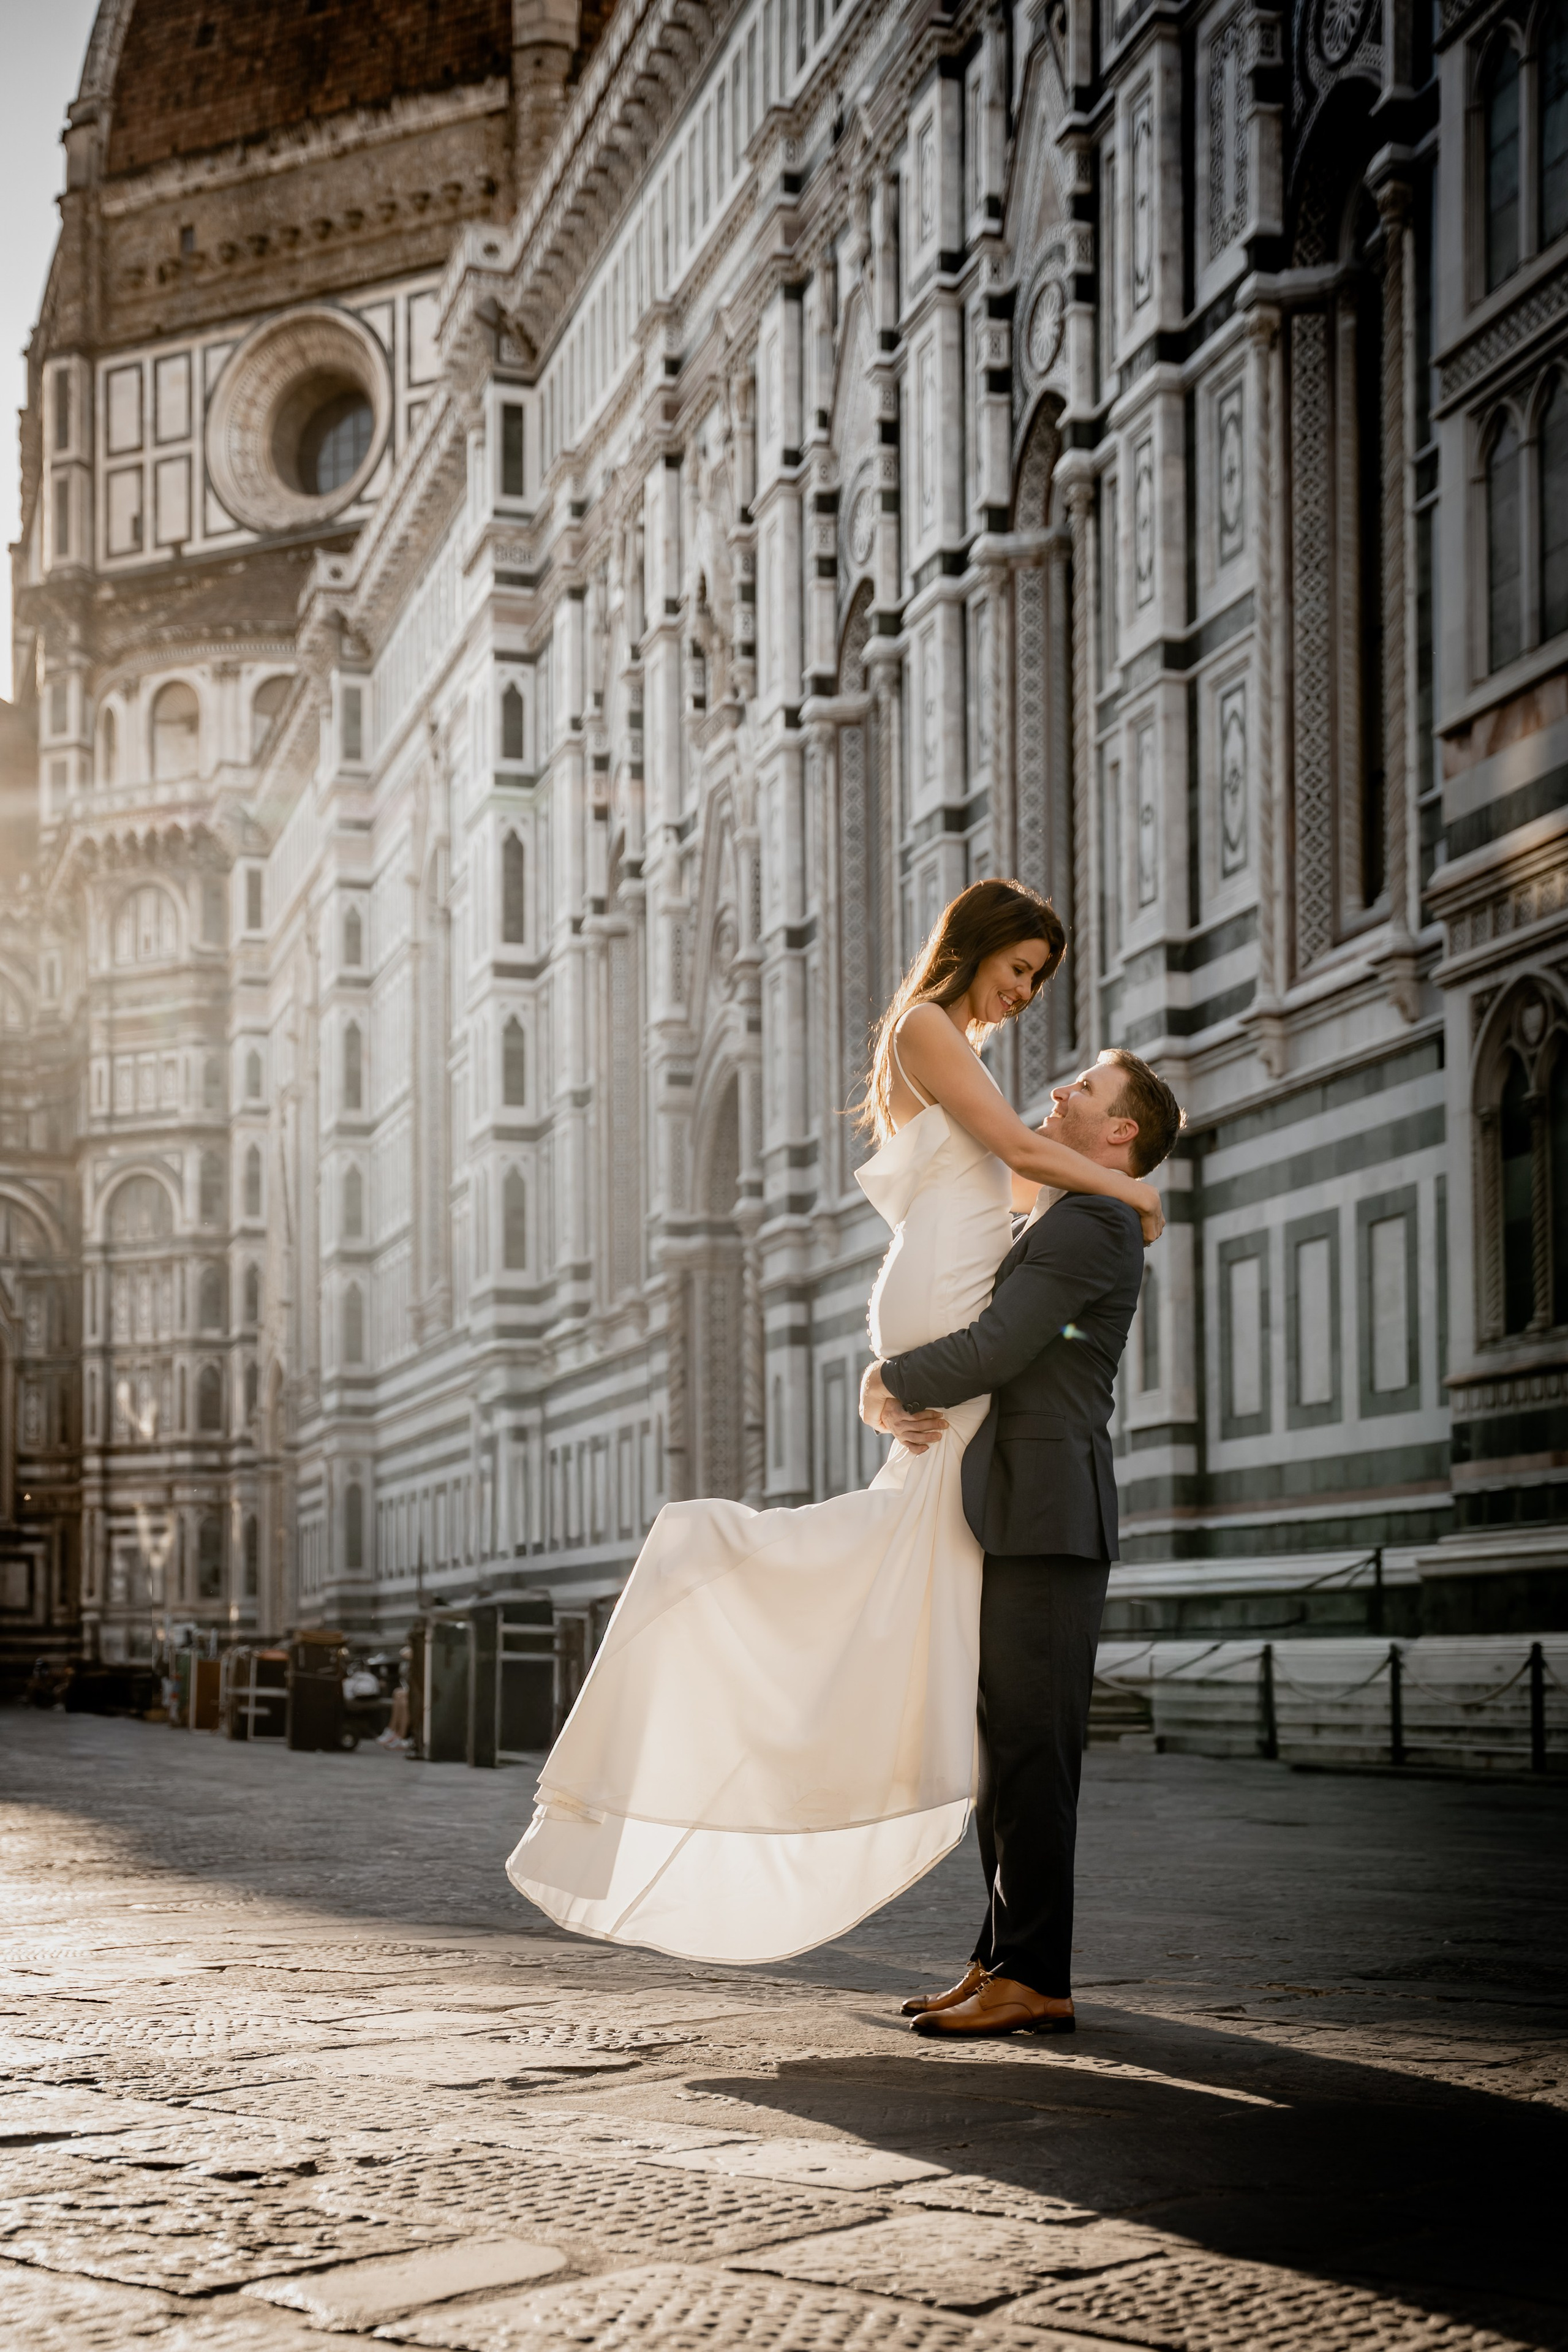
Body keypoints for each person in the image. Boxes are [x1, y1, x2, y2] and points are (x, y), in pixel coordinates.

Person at [506, 878, 1164, 1964]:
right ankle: (1006, 1958)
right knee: (946, 1675)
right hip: (963, 1388)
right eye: (1020, 967)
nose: (1026, 991)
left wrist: (894, 1374)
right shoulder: (927, 1028)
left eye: (1038, 979)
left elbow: (1031, 1226)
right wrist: (1140, 1197)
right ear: (979, 945)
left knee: (957, 1682)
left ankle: (1012, 1961)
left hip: (984, 1410)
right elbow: (1026, 1157)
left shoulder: (982, 1080)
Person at [861, 1046, 1184, 2037]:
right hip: (1013, 1506)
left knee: (1036, 1753)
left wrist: (888, 1381)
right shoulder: (1074, 1206)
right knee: (1006, 1752)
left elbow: (1001, 1347)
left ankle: (1038, 1974)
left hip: (1048, 1512)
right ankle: (997, 1958)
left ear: (1121, 1130)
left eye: (1084, 1089)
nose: (1060, 1091)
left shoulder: (1093, 1219)